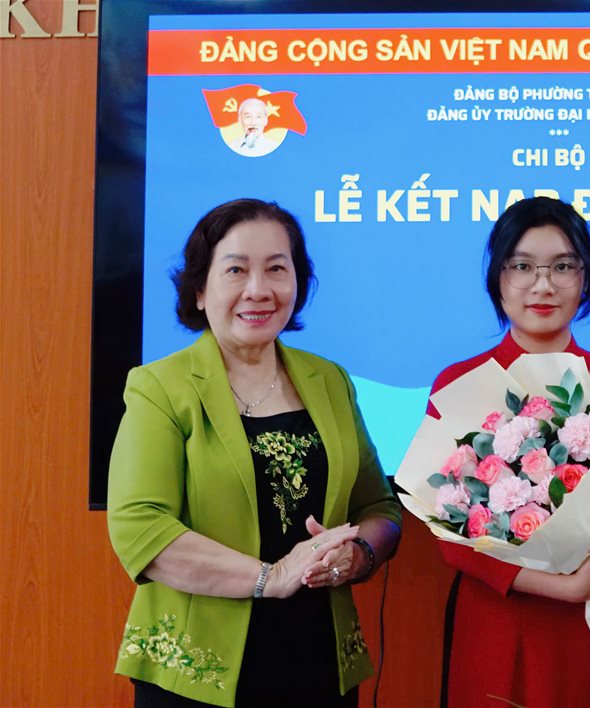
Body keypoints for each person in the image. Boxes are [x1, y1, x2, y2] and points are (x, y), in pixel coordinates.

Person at [107, 198, 402, 706]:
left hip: (318, 660)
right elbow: (141, 528)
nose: (259, 289)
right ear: (200, 290)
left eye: (277, 269)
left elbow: (379, 508)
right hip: (198, 670)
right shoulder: (160, 386)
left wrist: (359, 556)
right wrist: (272, 577)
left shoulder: (329, 379)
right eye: (236, 270)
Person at [429, 196, 590, 707]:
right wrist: (565, 587)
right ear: (498, 278)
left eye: (563, 266)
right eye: (523, 266)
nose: (544, 285)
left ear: (586, 278)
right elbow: (449, 536)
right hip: (502, 619)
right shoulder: (461, 384)